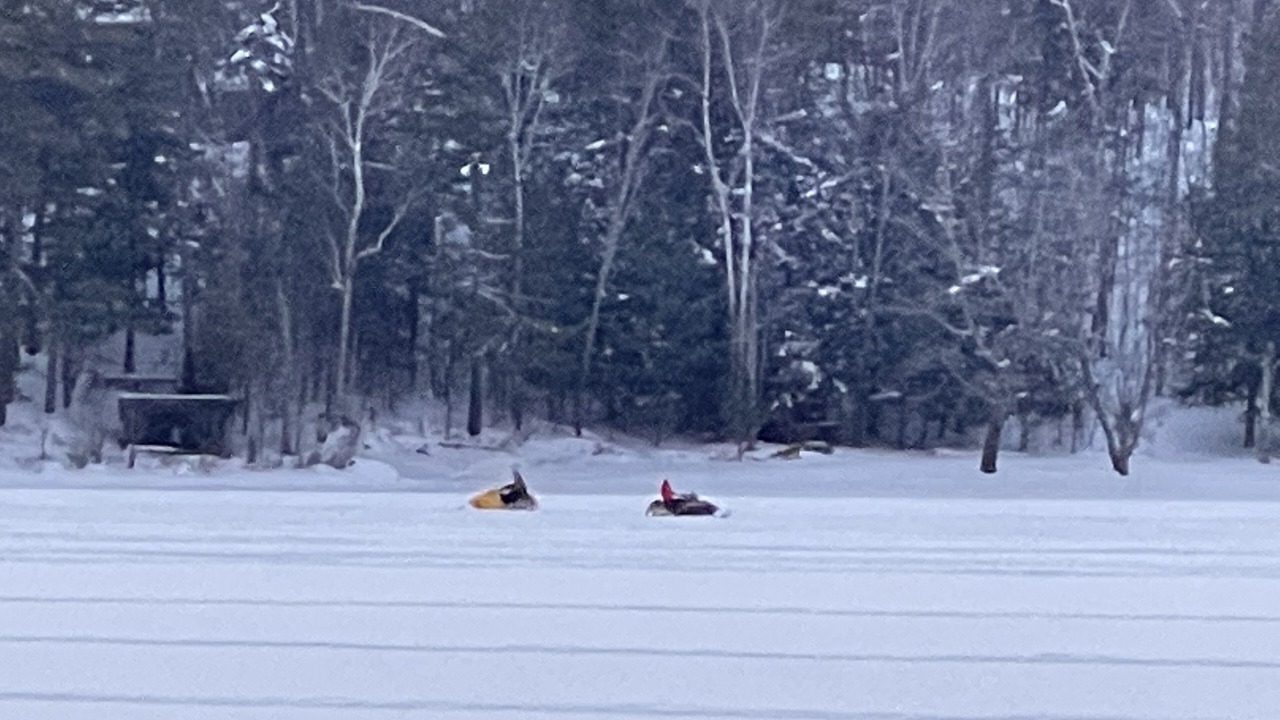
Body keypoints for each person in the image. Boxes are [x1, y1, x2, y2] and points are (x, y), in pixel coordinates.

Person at [646, 479, 718, 516]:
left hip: (676, 505)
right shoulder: (673, 505)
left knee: (702, 506)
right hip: (676, 507)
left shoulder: (674, 500)